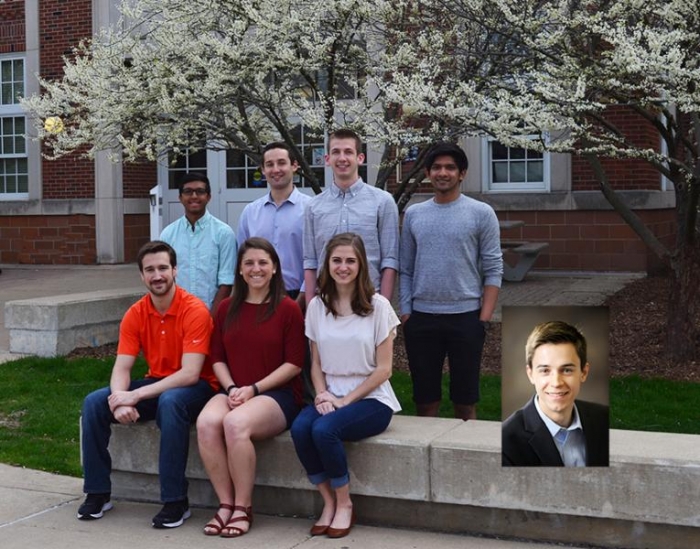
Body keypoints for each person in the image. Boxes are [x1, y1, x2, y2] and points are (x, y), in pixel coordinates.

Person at [78, 241, 218, 528]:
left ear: (175, 270)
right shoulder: (136, 313)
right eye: (150, 270)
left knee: (171, 402)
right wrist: (119, 398)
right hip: (159, 383)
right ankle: (98, 493)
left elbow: (191, 373)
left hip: (199, 388)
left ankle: (176, 501)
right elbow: (123, 366)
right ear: (142, 276)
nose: (157, 275)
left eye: (163, 268)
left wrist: (135, 395)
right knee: (94, 402)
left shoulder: (195, 310)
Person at [291, 233, 401, 539]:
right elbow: (315, 363)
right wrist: (323, 394)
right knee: (301, 429)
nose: (343, 267)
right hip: (330, 393)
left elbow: (384, 370)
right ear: (327, 264)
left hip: (372, 399)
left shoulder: (378, 306)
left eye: (350, 261)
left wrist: (345, 400)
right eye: (336, 260)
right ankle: (328, 502)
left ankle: (344, 503)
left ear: (361, 264)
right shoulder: (316, 306)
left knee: (325, 431)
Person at [196, 237, 305, 537]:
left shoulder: (287, 309)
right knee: (206, 423)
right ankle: (225, 504)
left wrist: (253, 390)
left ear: (274, 269)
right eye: (249, 263)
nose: (256, 269)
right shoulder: (227, 308)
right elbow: (216, 356)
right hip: (234, 389)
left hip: (277, 396)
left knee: (234, 424)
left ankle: (244, 507)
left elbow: (294, 364)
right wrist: (232, 388)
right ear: (240, 271)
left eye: (262, 263)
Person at [399, 142, 503, 420]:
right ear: (427, 173)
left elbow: (494, 268)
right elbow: (405, 268)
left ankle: (466, 456)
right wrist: (407, 312)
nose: (442, 173)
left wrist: (484, 316)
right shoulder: (414, 214)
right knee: (425, 401)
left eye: (449, 168)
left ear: (462, 174)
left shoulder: (481, 213)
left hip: (466, 318)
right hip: (421, 319)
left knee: (465, 402)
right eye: (436, 167)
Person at [303, 129, 399, 305]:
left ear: (360, 158)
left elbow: (390, 260)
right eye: (336, 152)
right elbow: (310, 262)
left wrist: (383, 308)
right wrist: (311, 308)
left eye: (348, 152)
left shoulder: (382, 202)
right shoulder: (313, 207)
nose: (342, 158)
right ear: (327, 159)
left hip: (369, 301)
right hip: (326, 303)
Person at [501, 320, 610, 467]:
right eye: (545, 370)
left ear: (584, 372)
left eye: (567, 370)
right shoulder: (506, 442)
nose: (557, 382)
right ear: (531, 374)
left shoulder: (605, 419)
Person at [237, 142, 311, 303]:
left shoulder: (311, 210)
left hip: (299, 296)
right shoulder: (250, 212)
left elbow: (318, 258)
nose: (276, 169)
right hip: (258, 297)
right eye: (269, 165)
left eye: (282, 163)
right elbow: (241, 259)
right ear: (263, 170)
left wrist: (302, 298)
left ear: (294, 166)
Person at [160, 172, 236, 315]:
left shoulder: (224, 233)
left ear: (208, 197)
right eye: (188, 192)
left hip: (211, 314)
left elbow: (226, 281)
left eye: (200, 191)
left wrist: (210, 319)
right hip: (177, 314)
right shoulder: (168, 234)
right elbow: (165, 278)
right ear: (180, 198)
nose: (194, 196)